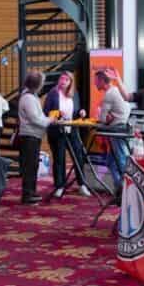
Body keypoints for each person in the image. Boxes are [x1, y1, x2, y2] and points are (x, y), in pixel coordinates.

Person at [43, 70, 90, 198]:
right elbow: (46, 111)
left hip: (72, 130)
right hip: (57, 131)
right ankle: (59, 186)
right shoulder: (53, 93)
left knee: (78, 156)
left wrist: (81, 112)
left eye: (66, 79)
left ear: (70, 82)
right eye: (61, 79)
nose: (63, 81)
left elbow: (76, 111)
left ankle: (82, 185)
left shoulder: (74, 94)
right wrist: (58, 113)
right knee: (59, 158)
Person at [17, 71, 53, 204]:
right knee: (30, 167)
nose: (42, 85)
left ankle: (31, 192)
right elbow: (35, 119)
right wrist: (50, 120)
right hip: (29, 136)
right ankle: (27, 195)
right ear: (36, 84)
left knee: (33, 166)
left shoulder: (32, 96)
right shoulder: (28, 98)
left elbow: (39, 116)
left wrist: (48, 119)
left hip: (33, 136)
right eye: (41, 83)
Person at [95, 69, 132, 190]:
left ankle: (125, 190)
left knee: (120, 161)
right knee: (111, 161)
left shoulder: (109, 94)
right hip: (121, 128)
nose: (94, 83)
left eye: (96, 81)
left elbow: (102, 119)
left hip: (116, 130)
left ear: (102, 81)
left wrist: (106, 118)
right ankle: (119, 188)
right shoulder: (116, 90)